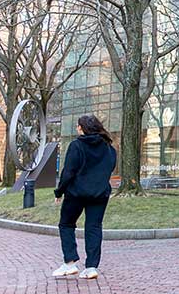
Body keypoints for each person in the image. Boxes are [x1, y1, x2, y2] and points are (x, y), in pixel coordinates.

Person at [51, 114, 117, 280]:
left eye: (78, 126)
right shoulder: (109, 148)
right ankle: (91, 267)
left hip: (76, 193)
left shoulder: (76, 145)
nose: (76, 128)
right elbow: (110, 167)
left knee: (66, 224)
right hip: (100, 194)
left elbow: (68, 172)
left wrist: (59, 192)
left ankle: (70, 263)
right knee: (94, 227)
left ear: (82, 128)